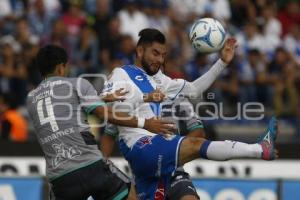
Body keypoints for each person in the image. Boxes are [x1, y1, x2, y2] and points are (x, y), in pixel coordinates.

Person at [100, 28, 278, 200]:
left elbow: (193, 89)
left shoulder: (162, 80)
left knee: (194, 149)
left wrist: (221, 63)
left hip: (158, 160)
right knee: (195, 144)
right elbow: (110, 111)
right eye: (155, 53)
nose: (160, 60)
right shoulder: (121, 74)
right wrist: (145, 101)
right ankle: (259, 149)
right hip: (140, 148)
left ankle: (259, 149)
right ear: (140, 51)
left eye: (163, 55)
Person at [26, 44, 175, 200]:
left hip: (60, 179)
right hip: (90, 165)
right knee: (130, 193)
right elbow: (106, 115)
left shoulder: (31, 98)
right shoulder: (77, 84)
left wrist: (100, 98)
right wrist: (146, 123)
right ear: (61, 67)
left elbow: (61, 106)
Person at [101, 96, 205, 200]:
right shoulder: (126, 99)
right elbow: (109, 136)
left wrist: (175, 152)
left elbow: (198, 131)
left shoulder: (177, 94)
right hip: (145, 176)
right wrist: (102, 168)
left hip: (174, 172)